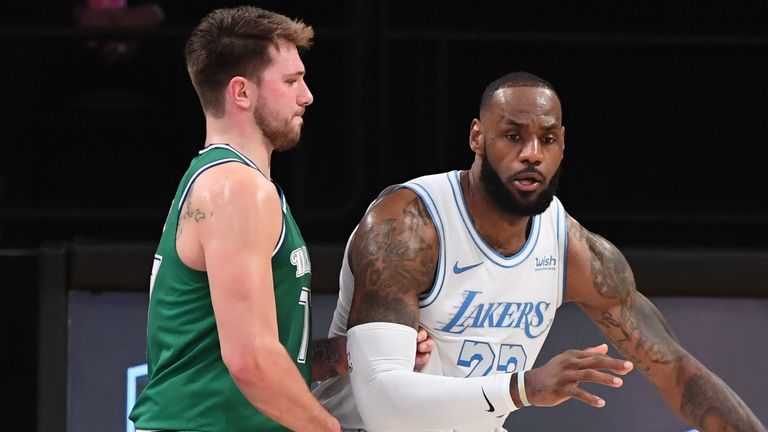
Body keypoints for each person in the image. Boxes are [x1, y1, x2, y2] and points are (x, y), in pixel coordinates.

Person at [312, 71, 767, 432]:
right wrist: (523, 387)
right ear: (477, 136)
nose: (532, 153)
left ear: (562, 145)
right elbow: (382, 409)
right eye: (513, 136)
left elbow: (677, 372)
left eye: (546, 140)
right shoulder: (407, 226)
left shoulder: (574, 250)